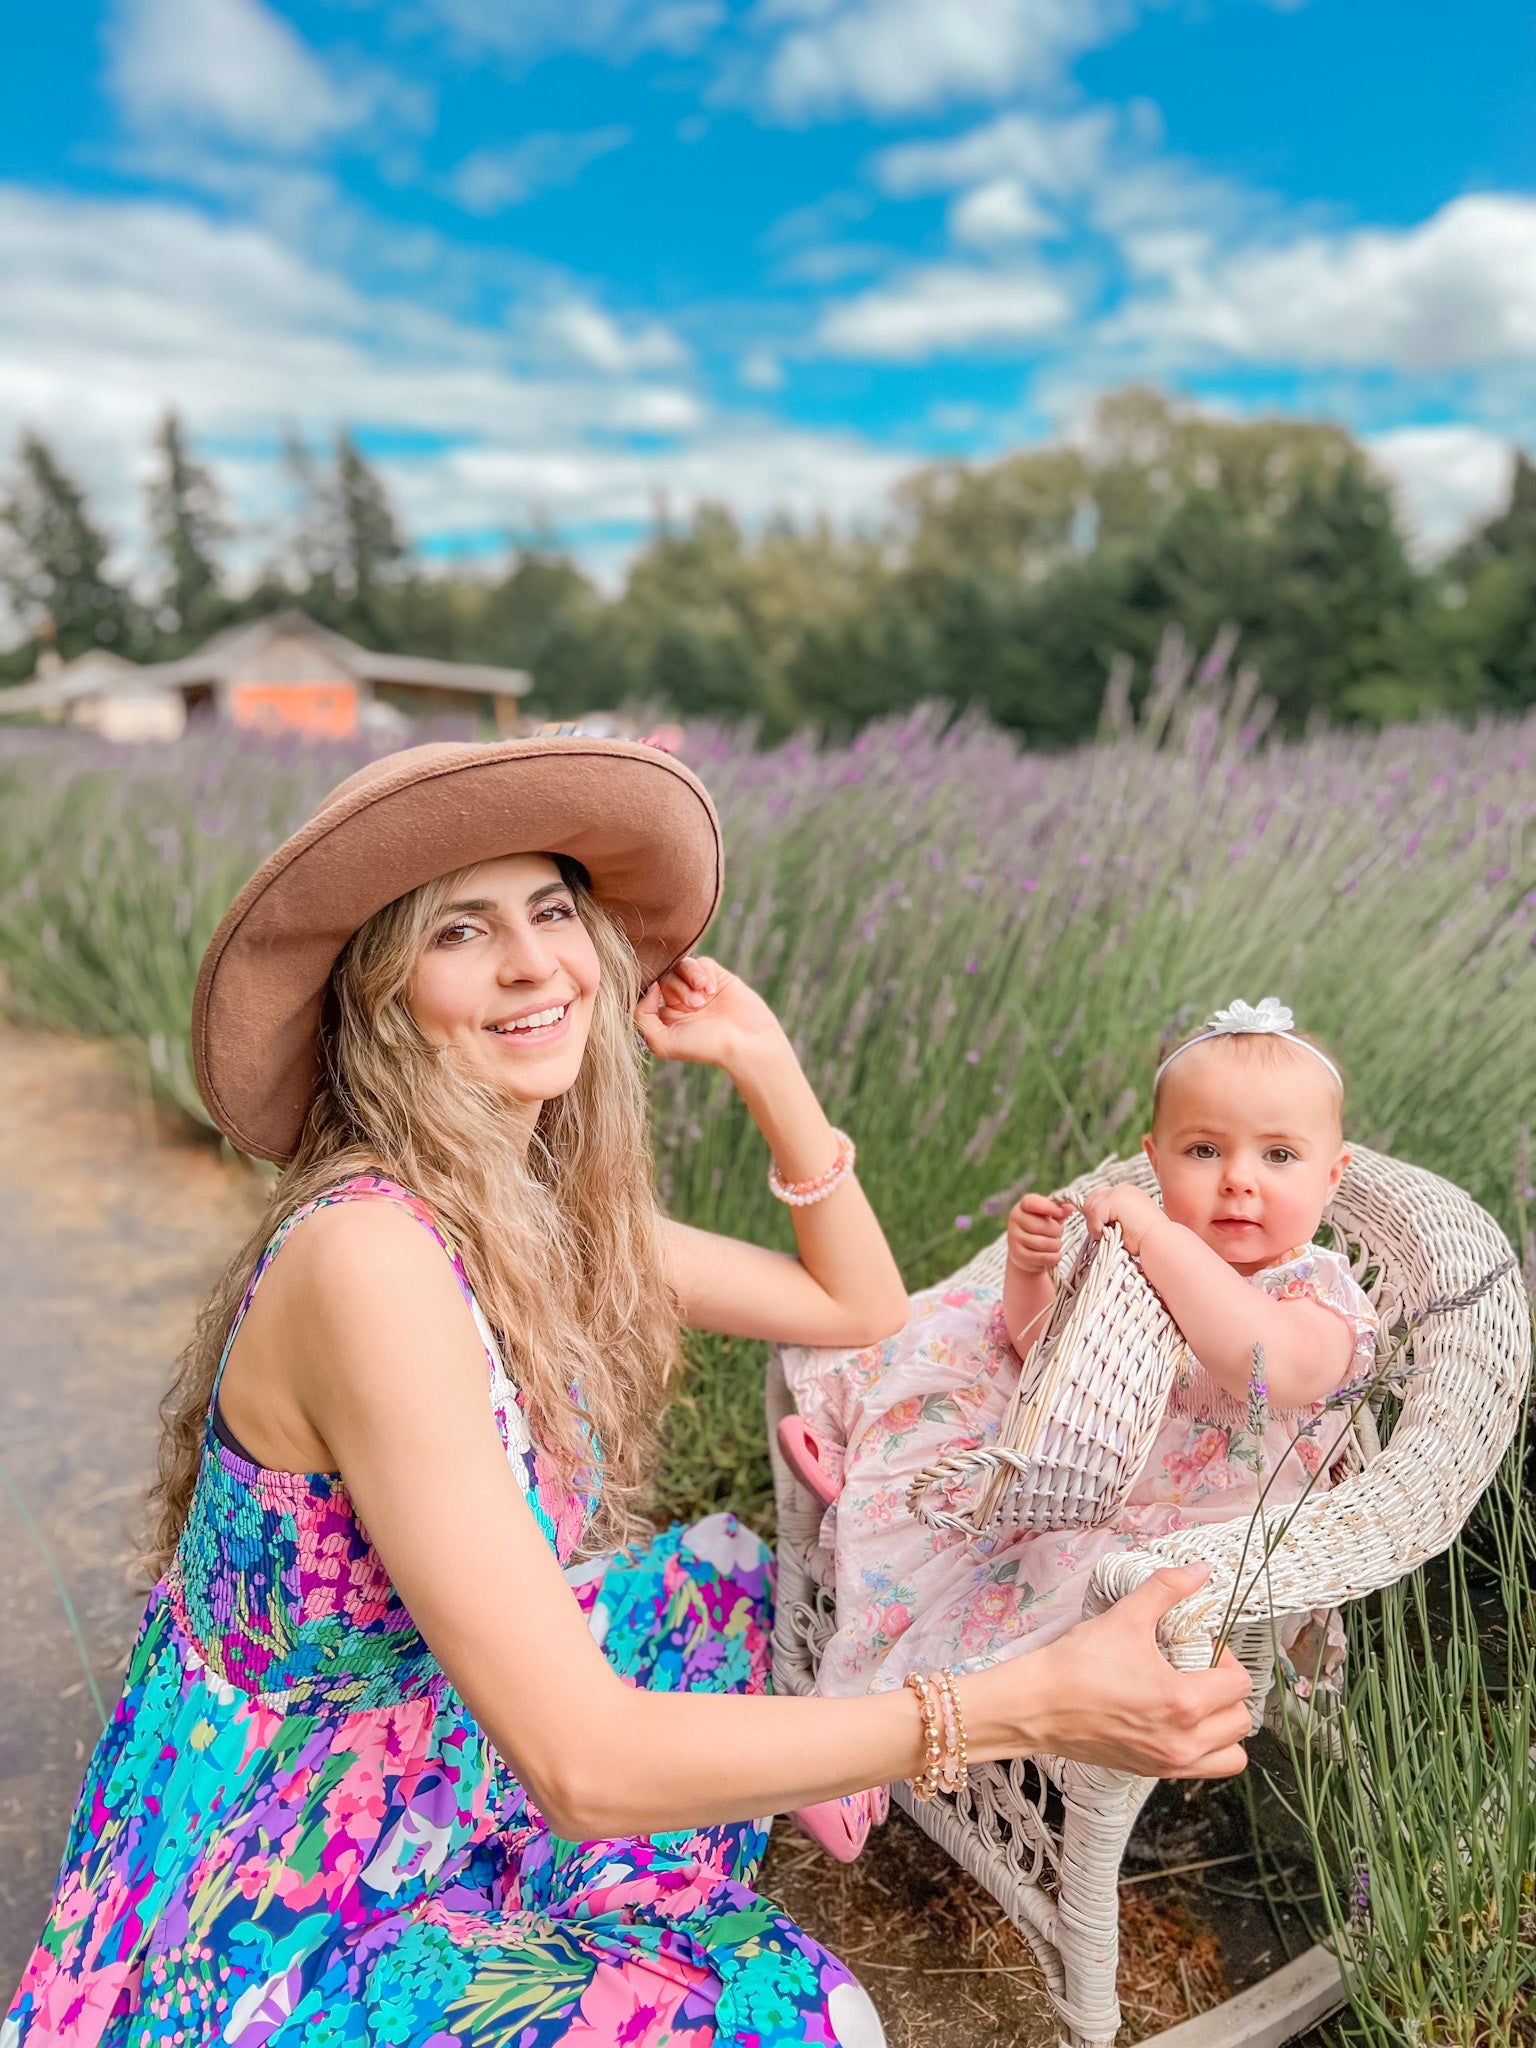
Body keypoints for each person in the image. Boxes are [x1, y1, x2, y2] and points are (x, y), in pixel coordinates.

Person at [4, 738, 1254, 2047]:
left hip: (429, 1718)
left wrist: (768, 1068)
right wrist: (1022, 1702)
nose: (536, 961)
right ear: (377, 1000)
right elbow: (587, 1767)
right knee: (808, 2016)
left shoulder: (524, 1204)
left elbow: (856, 1308)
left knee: (727, 1577)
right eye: (460, 931)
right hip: (272, 1858)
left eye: (552, 911)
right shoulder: (370, 1257)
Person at [781, 997, 1375, 1861]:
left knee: (1031, 1580)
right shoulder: (1149, 1256)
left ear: (1332, 1174)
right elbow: (1044, 1357)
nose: (1239, 1179)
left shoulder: (1318, 1297)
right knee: (971, 1364)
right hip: (1081, 1465)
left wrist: (1147, 1231)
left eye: (1278, 1155)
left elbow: (1266, 1366)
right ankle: (865, 1460)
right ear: (1155, 1160)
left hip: (1184, 1531)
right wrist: (1029, 1274)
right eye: (1205, 1151)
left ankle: (859, 1748)